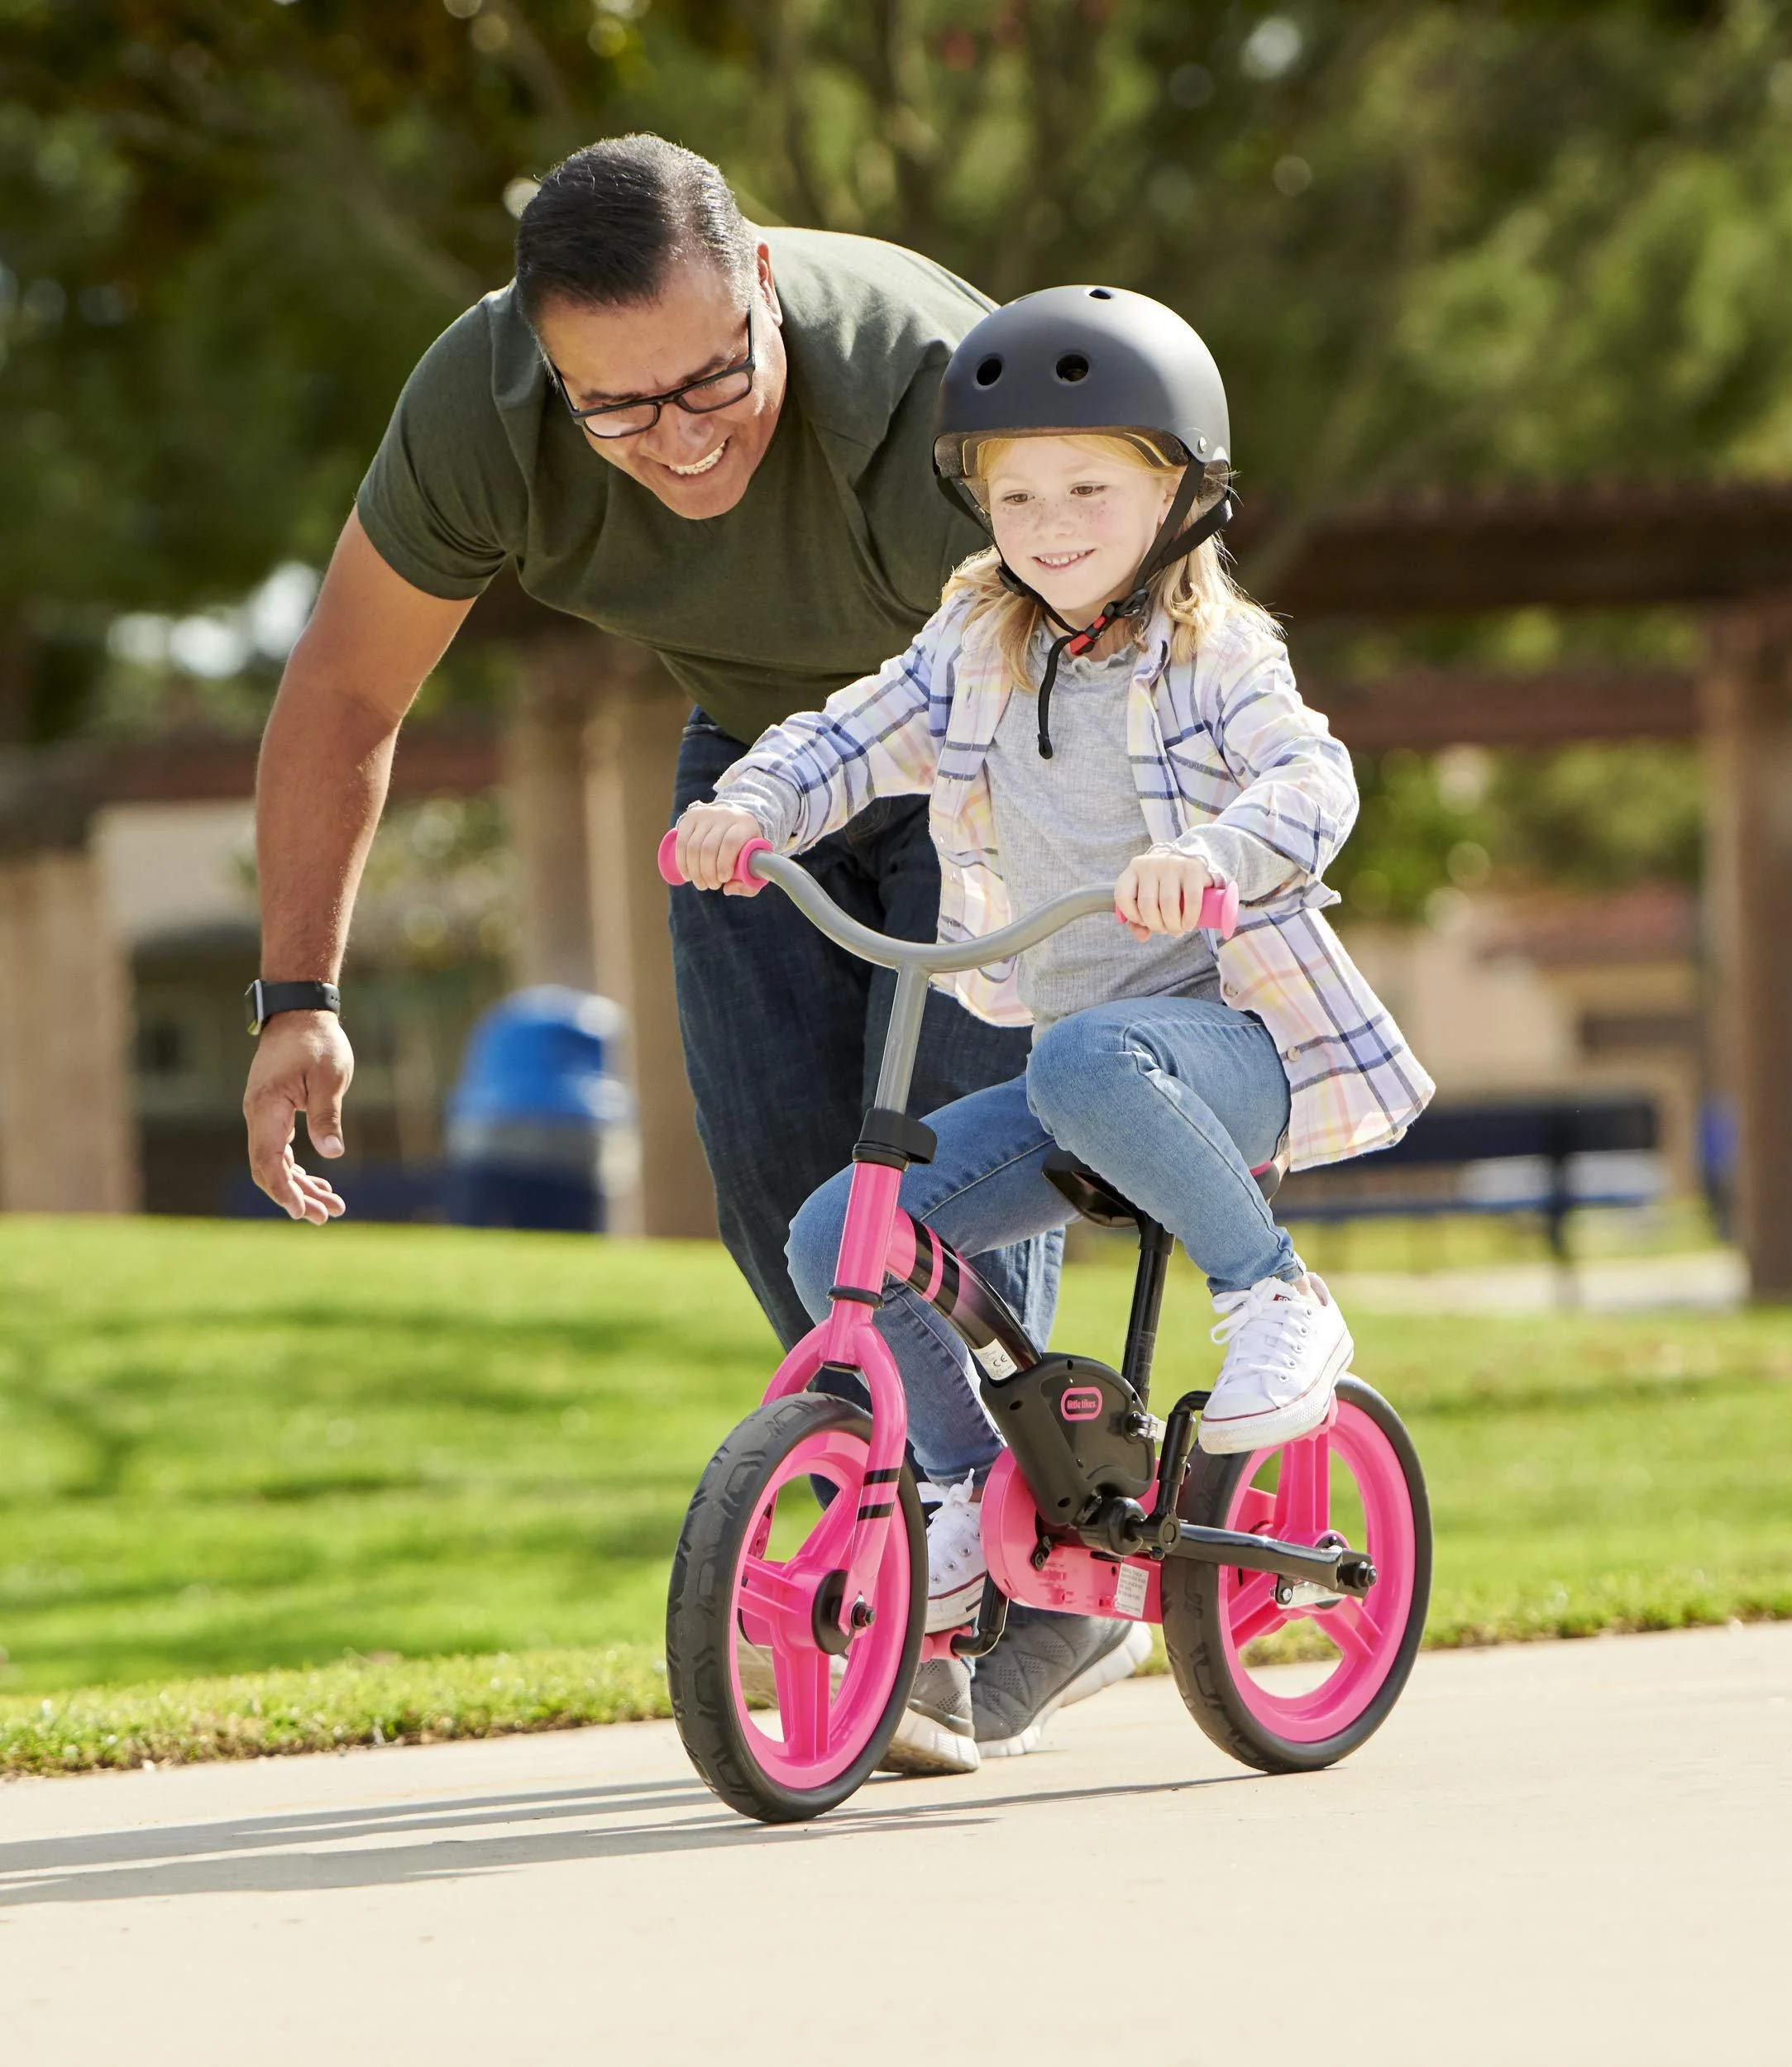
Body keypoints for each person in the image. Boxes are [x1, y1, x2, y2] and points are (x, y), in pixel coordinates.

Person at [237, 135, 1082, 1768]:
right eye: (614, 409)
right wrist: (299, 995)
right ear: (547, 363)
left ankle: (1020, 1584)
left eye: (710, 384)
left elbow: (1117, 668)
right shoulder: (481, 414)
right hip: (760, 759)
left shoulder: (928, 395)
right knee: (788, 1214)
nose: (678, 445)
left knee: (941, 1185)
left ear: (761, 280)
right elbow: (344, 697)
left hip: (1010, 756)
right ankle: (934, 1531)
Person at [669, 284, 1434, 1764]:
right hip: (1085, 1074)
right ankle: (957, 1494)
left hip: (1235, 1052)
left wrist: (1216, 860)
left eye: (1090, 486)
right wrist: (751, 805)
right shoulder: (978, 640)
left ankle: (1273, 1295)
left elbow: (1312, 778)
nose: (1050, 520)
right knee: (843, 1235)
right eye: (1016, 493)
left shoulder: (1214, 657)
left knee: (1092, 1056)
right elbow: (853, 729)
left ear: (1180, 490)